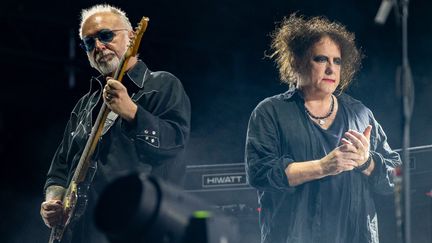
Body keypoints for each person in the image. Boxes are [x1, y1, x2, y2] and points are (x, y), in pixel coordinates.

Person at [40, 4, 191, 243]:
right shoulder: (84, 106)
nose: (98, 46)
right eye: (89, 42)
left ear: (132, 37)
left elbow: (175, 144)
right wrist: (53, 201)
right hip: (80, 233)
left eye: (106, 35)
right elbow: (59, 169)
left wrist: (132, 112)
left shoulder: (162, 86)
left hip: (135, 228)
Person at [245, 14, 401, 243]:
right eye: (321, 59)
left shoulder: (360, 113)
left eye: (337, 61)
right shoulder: (270, 112)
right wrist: (323, 166)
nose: (331, 69)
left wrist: (367, 163)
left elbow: (396, 176)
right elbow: (260, 173)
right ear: (297, 61)